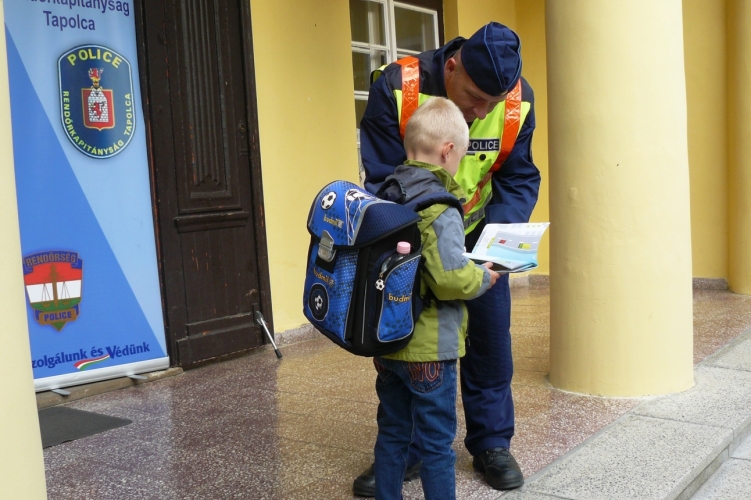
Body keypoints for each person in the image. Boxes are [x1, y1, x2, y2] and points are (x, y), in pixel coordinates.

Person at [354, 22, 540, 495]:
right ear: (452, 66)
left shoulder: (517, 102)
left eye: (491, 103)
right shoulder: (397, 87)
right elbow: (380, 178)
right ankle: (408, 449)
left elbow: (517, 176)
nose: (480, 111)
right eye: (473, 96)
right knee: (409, 336)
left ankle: (491, 443)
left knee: (491, 342)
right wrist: (430, 240)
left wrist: (490, 241)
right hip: (408, 233)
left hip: (478, 226)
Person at [371, 96, 499, 500]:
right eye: (459, 157)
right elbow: (448, 280)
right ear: (448, 151)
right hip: (430, 349)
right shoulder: (440, 207)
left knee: (392, 432)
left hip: (387, 340)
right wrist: (483, 277)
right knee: (436, 445)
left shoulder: (386, 193)